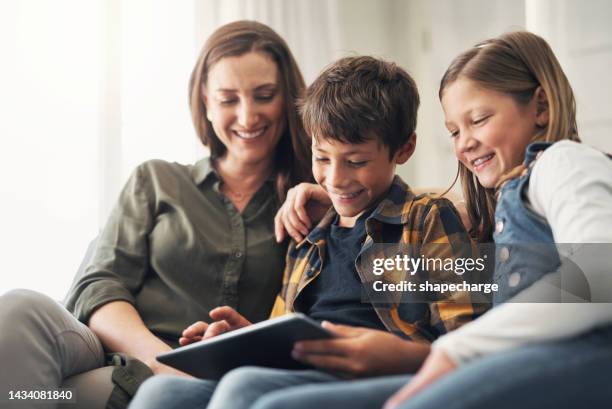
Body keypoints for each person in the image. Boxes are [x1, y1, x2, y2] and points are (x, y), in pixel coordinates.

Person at [128, 55, 487, 409]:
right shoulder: (309, 234)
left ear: (404, 149)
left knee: (244, 387)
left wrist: (400, 355)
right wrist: (247, 337)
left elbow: (465, 338)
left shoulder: (428, 218)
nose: (335, 179)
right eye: (322, 157)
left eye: (356, 161)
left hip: (380, 372)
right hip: (304, 368)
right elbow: (290, 331)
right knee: (161, 394)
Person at [0, 20, 311, 409]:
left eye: (264, 96)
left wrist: (331, 203)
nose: (247, 116)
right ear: (205, 102)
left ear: (289, 99)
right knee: (17, 308)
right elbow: (99, 284)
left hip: (217, 381)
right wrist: (158, 361)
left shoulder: (310, 202)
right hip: (121, 354)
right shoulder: (157, 179)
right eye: (229, 99)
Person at [381, 31, 612, 409]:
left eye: (480, 120)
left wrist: (458, 348)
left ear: (541, 107)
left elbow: (601, 275)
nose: (463, 143)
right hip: (520, 365)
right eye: (454, 131)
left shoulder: (564, 161)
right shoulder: (510, 197)